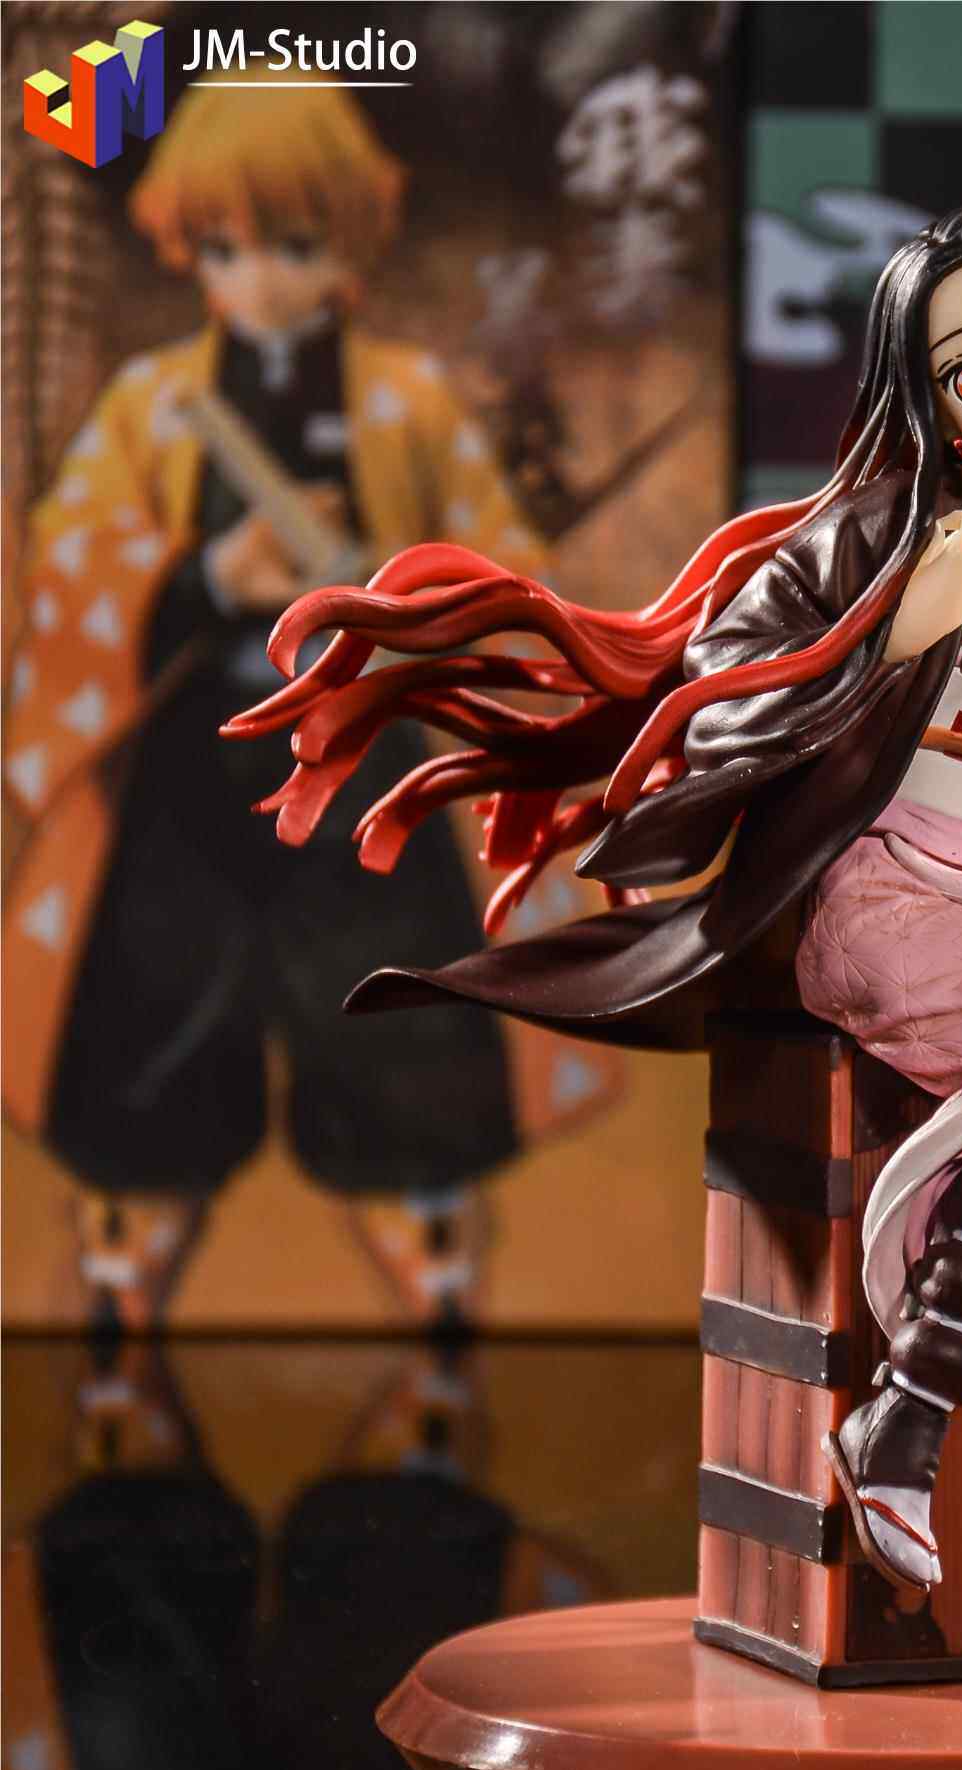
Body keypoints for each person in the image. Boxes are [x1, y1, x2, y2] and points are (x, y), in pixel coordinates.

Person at [227, 199, 962, 1591]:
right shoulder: (862, 540)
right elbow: (717, 710)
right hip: (884, 895)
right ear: (928, 399)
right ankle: (901, 1423)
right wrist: (888, 640)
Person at [2, 78, 614, 1330]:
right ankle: (120, 1335)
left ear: (349, 242)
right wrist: (202, 579)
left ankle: (439, 1338)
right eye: (223, 249)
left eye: (293, 243)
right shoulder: (152, 404)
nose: (260, 282)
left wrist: (410, 597)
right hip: (186, 786)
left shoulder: (411, 403)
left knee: (409, 1061)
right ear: (186, 249)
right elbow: (67, 565)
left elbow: (508, 576)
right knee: (144, 1063)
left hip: (369, 786)